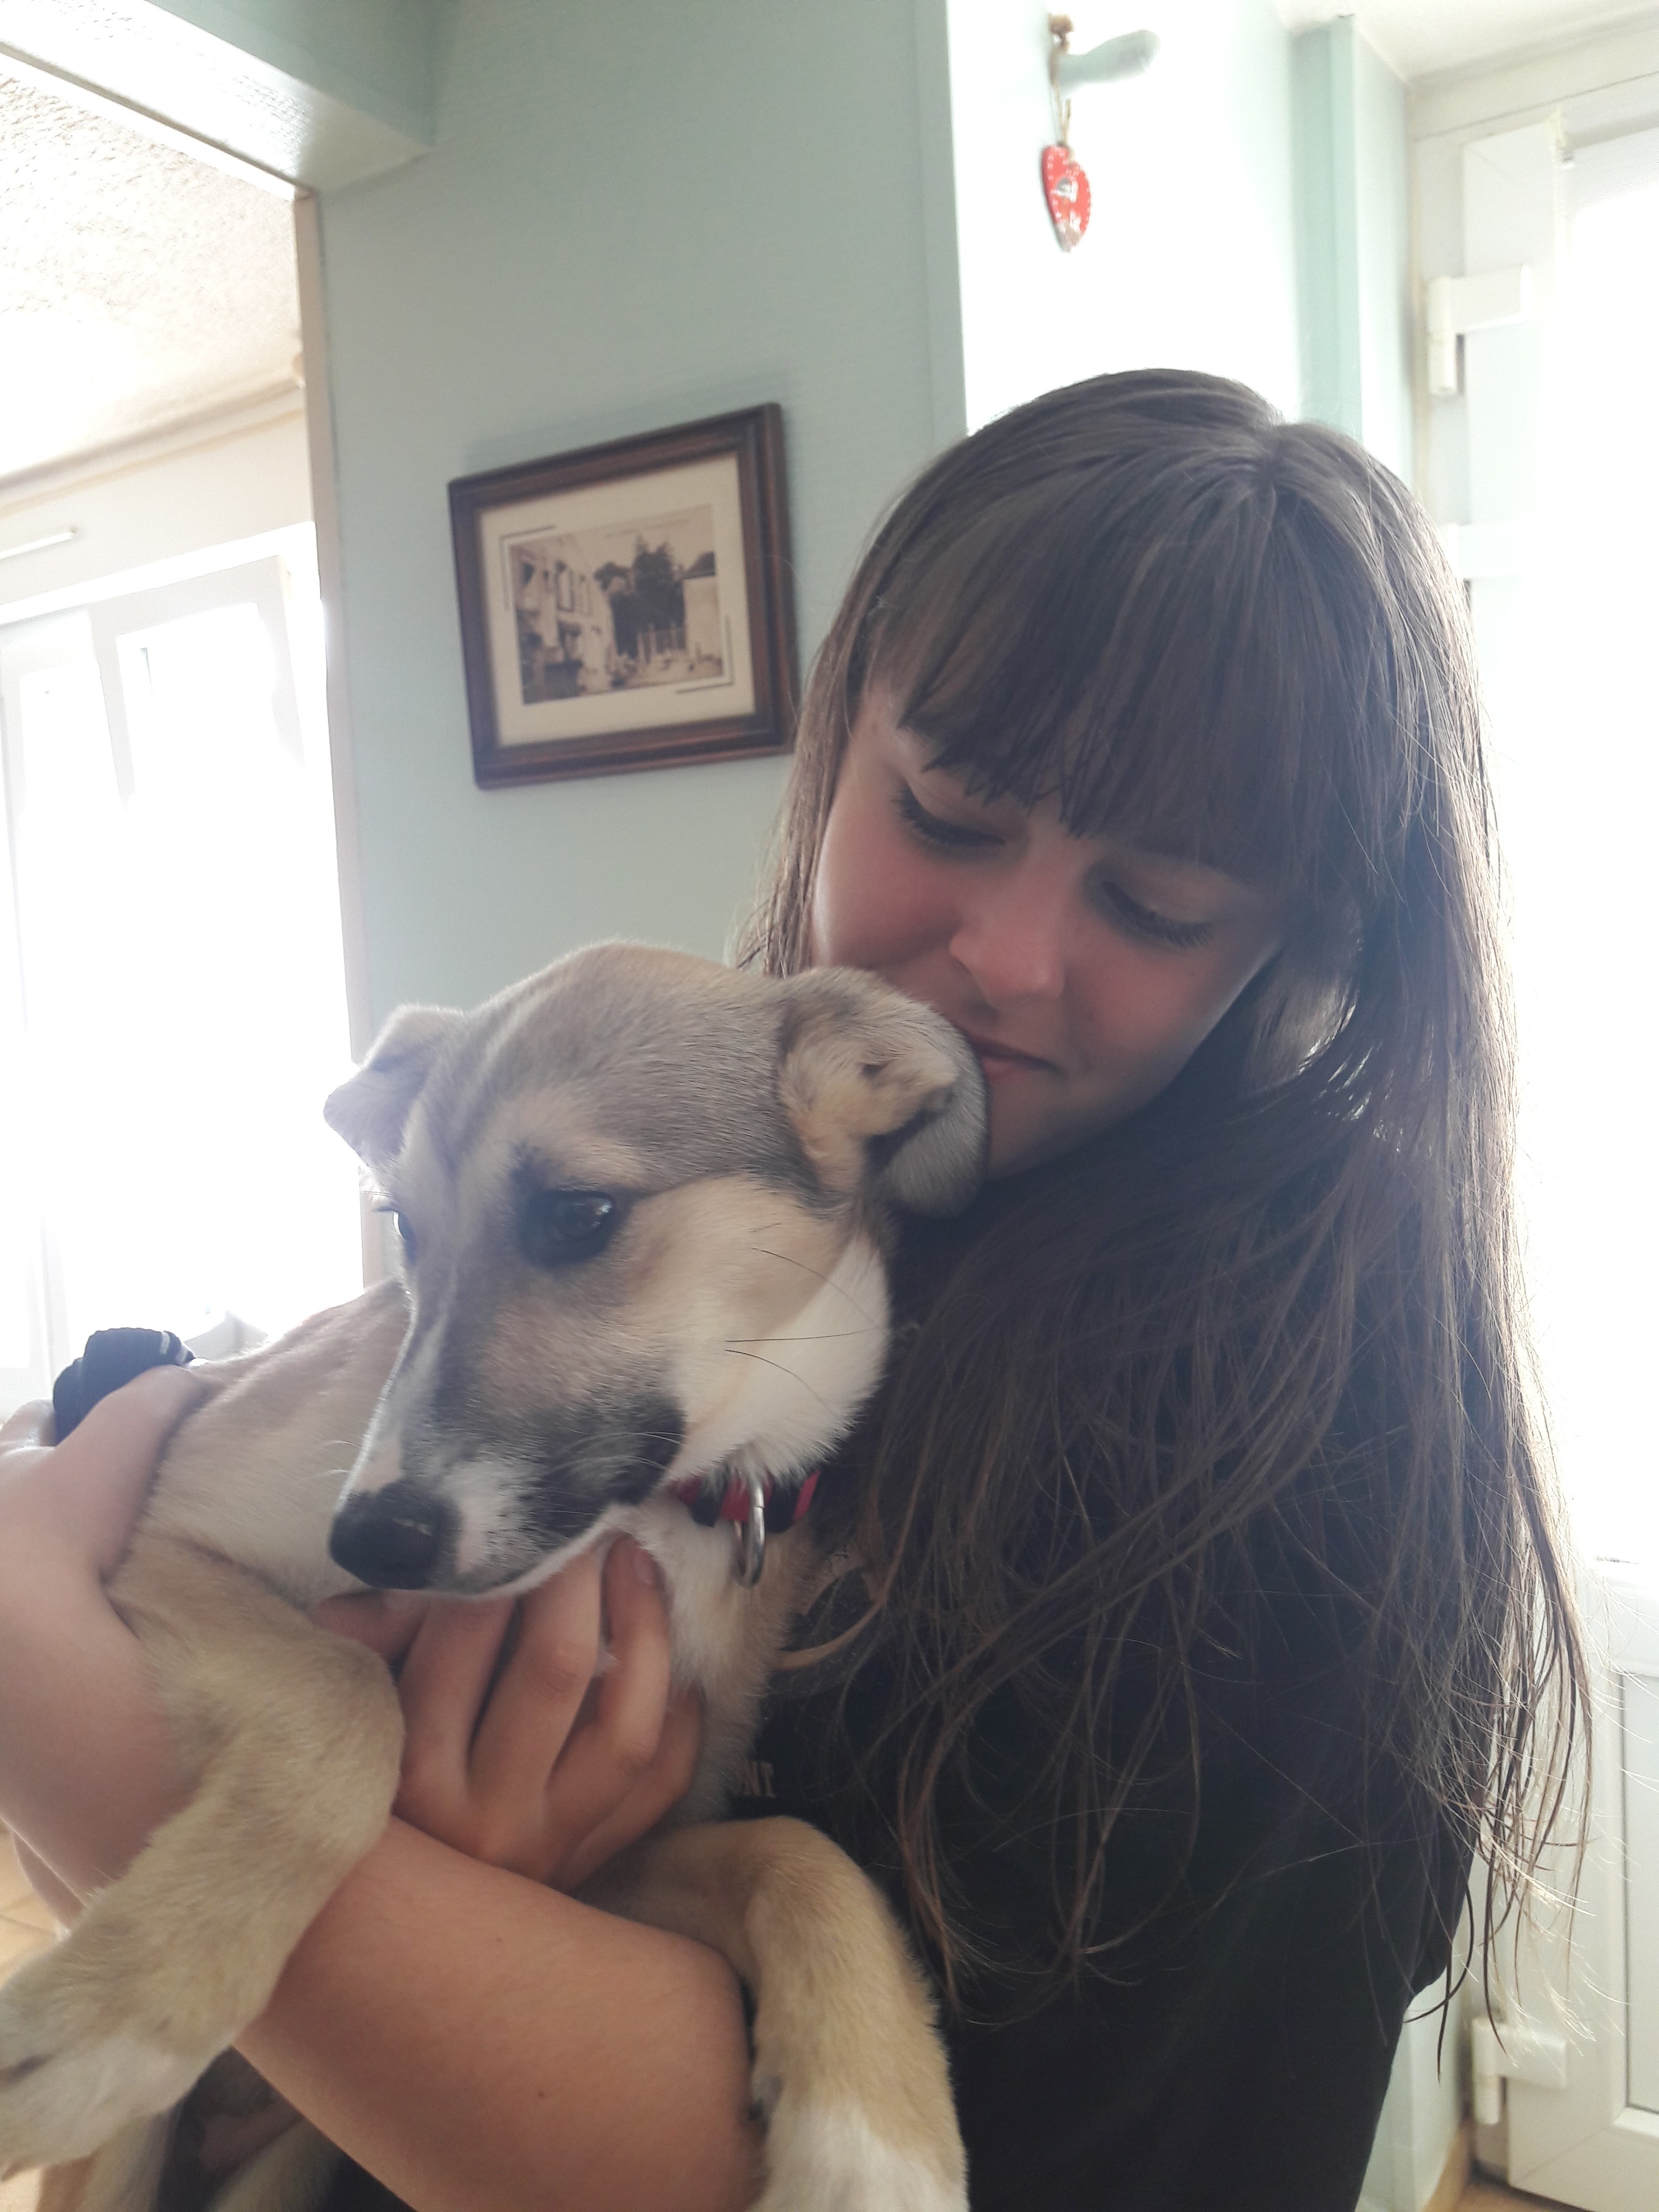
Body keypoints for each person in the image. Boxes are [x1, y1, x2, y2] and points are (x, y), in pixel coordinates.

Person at [0, 369, 1585, 2212]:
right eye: (949, 811)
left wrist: (84, 1745)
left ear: (1303, 943)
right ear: (838, 741)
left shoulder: (1318, 1411)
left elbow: (1127, 2153)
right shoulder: (772, 1149)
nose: (1005, 961)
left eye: (1155, 904)